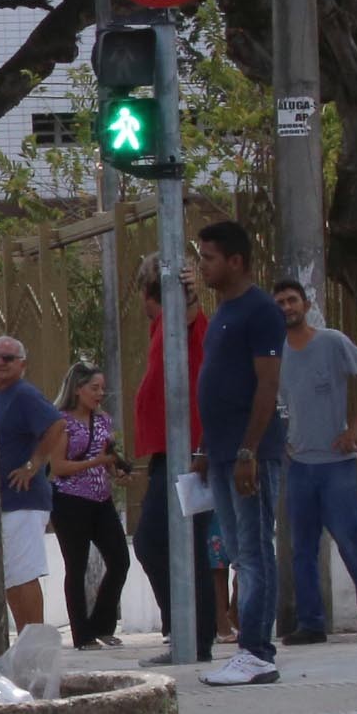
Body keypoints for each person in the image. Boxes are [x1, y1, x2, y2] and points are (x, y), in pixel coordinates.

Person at [191, 222, 287, 687]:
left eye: (209, 257)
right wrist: (206, 447)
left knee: (253, 551)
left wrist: (249, 448)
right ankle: (249, 650)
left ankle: (257, 651)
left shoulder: (260, 311)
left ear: (236, 261)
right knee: (234, 550)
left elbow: (267, 384)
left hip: (251, 452)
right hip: (223, 450)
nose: (202, 265)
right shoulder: (223, 312)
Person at [273, 280, 357, 643]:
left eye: (292, 301)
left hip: (336, 461)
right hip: (299, 464)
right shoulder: (275, 353)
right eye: (280, 303)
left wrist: (354, 426)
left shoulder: (332, 342)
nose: (287, 308)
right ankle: (311, 622)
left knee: (348, 537)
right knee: (302, 547)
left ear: (305, 305)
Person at [128, 259, 215, 652]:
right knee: (174, 542)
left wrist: (188, 291)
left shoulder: (180, 320)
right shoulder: (160, 327)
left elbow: (193, 312)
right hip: (171, 451)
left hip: (188, 451)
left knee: (156, 541)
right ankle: (190, 632)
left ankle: (190, 631)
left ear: (150, 295)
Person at [46, 362, 130, 648]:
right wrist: (98, 462)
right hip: (70, 500)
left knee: (120, 560)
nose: (99, 394)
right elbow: (58, 466)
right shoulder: (61, 422)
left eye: (102, 389)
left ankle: (102, 624)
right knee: (76, 567)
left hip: (100, 498)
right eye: (94, 388)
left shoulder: (104, 421)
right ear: (77, 389)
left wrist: (116, 471)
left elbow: (108, 456)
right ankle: (82, 634)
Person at [0, 335, 62, 629]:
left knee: (22, 573)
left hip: (23, 499)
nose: (0, 363)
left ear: (22, 364)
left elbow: (56, 424)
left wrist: (32, 466)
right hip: (5, 501)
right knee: (11, 575)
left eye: (7, 358)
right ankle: (25, 639)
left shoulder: (24, 394)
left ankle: (35, 642)